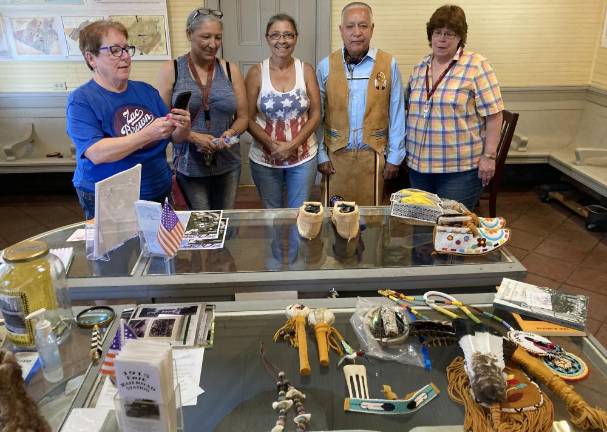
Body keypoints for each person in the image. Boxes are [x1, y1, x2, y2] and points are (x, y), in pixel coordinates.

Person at [67, 20, 191, 219]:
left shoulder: (146, 91)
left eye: (126, 49)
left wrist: (183, 125)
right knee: (119, 250)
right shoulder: (81, 100)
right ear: (91, 58)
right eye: (115, 50)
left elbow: (175, 137)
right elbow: (96, 152)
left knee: (162, 247)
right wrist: (147, 134)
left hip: (158, 186)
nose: (125, 57)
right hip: (112, 198)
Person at [405, 4, 504, 210]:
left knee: (451, 228)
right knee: (421, 223)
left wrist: (489, 157)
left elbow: (494, 115)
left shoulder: (476, 66)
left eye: (449, 34)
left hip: (459, 169)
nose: (442, 39)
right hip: (418, 166)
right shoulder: (420, 66)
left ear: (460, 38)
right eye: (437, 32)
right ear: (430, 35)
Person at [157, 7, 248, 210]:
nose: (213, 44)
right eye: (205, 37)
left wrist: (229, 134)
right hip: (190, 166)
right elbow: (162, 120)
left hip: (228, 162)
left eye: (218, 37)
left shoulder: (230, 70)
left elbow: (243, 117)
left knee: (226, 223)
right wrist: (194, 137)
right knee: (202, 225)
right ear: (189, 34)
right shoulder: (172, 70)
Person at [317, 1, 406, 206]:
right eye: (350, 26)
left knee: (372, 223)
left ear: (372, 29)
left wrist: (395, 156)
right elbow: (317, 115)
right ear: (341, 31)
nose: (357, 32)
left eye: (363, 25)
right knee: (335, 219)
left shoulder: (387, 63)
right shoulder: (326, 65)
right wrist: (321, 155)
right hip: (336, 158)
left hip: (373, 158)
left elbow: (397, 112)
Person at [245, 14, 321, 209]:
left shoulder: (306, 70)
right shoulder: (255, 73)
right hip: (264, 159)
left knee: (300, 215)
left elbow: (315, 115)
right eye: (275, 35)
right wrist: (272, 145)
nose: (282, 41)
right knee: (273, 218)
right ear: (267, 38)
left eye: (288, 35)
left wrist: (292, 145)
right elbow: (247, 118)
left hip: (303, 158)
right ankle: (276, 242)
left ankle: (297, 242)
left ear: (296, 38)